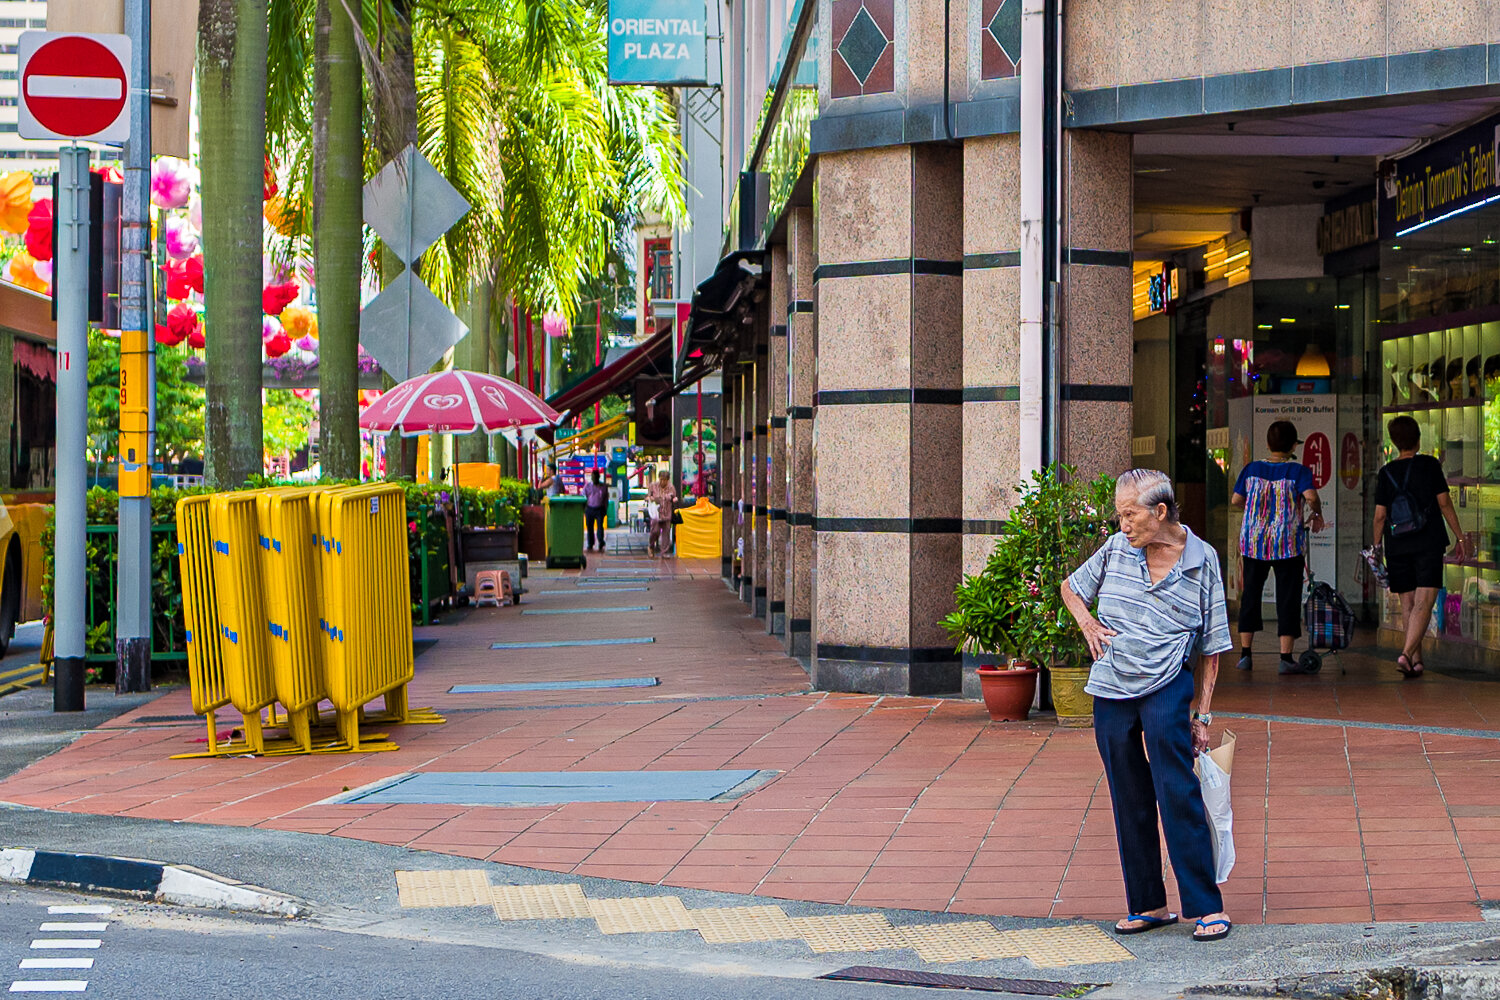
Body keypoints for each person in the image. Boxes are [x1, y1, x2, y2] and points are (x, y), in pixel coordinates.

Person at [1061, 468, 1234, 943]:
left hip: (1166, 686)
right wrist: (1088, 626)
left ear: (1160, 512)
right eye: (1119, 515)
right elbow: (1071, 587)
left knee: (1177, 792)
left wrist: (1202, 713)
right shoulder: (1118, 549)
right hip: (1112, 688)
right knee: (1128, 796)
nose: (1123, 525)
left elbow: (1213, 643)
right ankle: (1149, 904)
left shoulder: (1203, 561)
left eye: (1129, 514)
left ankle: (1204, 906)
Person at [1372, 415, 1465, 679]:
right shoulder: (1429, 465)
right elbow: (1444, 503)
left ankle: (1416, 660)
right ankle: (1405, 654)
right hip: (1428, 540)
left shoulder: (1386, 472)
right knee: (1425, 601)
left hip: (1397, 544)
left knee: (1409, 603)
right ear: (1418, 439)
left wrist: (1376, 547)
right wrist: (1459, 536)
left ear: (1394, 442)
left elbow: (1380, 516)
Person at [1230, 420, 1325, 674]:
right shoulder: (1298, 471)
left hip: (1254, 543)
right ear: (1293, 445)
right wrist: (1317, 513)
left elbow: (1236, 499)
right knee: (1288, 598)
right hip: (1287, 544)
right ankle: (1285, 658)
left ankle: (1245, 654)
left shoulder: (1251, 470)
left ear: (1269, 444)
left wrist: (1259, 513)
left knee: (1250, 594)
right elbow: (1312, 497)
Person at [646, 471, 677, 558]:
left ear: (668, 480)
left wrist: (672, 498)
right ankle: (651, 546)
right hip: (656, 514)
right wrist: (652, 499)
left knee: (666, 532)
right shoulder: (653, 486)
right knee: (655, 531)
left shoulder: (671, 487)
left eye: (665, 480)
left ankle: (664, 551)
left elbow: (674, 497)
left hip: (667, 513)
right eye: (661, 479)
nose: (663, 482)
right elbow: (648, 496)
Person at [583, 470, 608, 552]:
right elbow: (584, 497)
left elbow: (605, 499)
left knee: (600, 526)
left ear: (598, 477)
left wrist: (605, 509)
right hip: (589, 508)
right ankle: (590, 543)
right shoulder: (587, 486)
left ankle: (601, 541)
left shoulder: (603, 487)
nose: (594, 479)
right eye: (593, 477)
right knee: (589, 527)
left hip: (599, 508)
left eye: (596, 477)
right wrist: (585, 509)